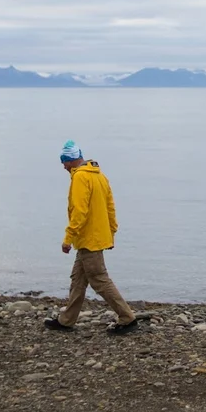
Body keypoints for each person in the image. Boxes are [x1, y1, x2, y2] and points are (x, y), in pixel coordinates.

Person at [44, 140, 139, 335]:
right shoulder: (100, 176)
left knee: (99, 279)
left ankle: (127, 318)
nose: (63, 166)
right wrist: (111, 232)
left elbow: (79, 212)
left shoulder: (80, 178)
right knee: (78, 280)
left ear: (70, 160)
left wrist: (68, 238)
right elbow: (110, 206)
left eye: (64, 162)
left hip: (88, 239)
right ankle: (66, 320)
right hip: (95, 237)